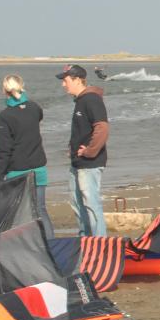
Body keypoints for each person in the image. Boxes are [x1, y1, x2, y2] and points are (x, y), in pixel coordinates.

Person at [0, 74, 53, 237]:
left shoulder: (6, 115)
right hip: (38, 168)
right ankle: (51, 245)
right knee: (40, 210)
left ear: (4, 90)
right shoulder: (35, 108)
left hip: (17, 171)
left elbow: (4, 149)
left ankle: (26, 249)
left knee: (20, 215)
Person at [57, 63, 109, 236]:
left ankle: (100, 243)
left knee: (91, 204)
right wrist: (71, 149)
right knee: (77, 203)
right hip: (77, 163)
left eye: (65, 81)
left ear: (77, 80)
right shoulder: (80, 101)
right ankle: (85, 239)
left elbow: (102, 128)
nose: (63, 84)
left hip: (90, 163)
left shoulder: (91, 99)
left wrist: (89, 151)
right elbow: (83, 129)